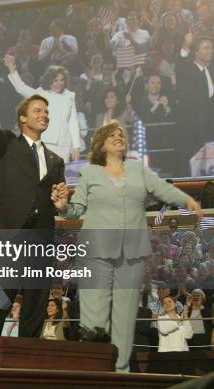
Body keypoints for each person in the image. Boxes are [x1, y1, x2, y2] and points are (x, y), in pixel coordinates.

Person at [52, 122, 202, 371]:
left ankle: (120, 373)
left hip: (131, 253)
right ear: (100, 143)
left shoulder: (137, 170)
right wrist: (63, 206)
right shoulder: (90, 172)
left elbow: (162, 188)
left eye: (121, 134)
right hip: (96, 251)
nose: (118, 137)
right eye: (112, 134)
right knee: (94, 320)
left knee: (124, 319)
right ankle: (94, 371)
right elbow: (75, 210)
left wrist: (186, 199)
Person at [0, 73, 66, 338]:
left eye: (47, 111)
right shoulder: (7, 143)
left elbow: (57, 200)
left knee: (36, 302)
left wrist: (61, 204)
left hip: (42, 236)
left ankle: (28, 355)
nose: (45, 115)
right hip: (11, 233)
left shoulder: (56, 160)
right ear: (23, 118)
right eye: (38, 110)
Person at [3, 58, 81, 162]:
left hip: (64, 145)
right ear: (49, 81)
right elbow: (21, 88)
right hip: (45, 142)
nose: (59, 83)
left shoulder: (70, 96)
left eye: (62, 80)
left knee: (60, 176)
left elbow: (73, 123)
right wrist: (11, 68)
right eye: (55, 80)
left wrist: (76, 147)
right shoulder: (41, 94)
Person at [177, 33, 214, 176]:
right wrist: (186, 46)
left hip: (208, 131)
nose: (210, 51)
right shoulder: (187, 69)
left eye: (211, 48)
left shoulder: (210, 70)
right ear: (196, 52)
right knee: (191, 170)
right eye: (206, 48)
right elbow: (179, 63)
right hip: (191, 132)